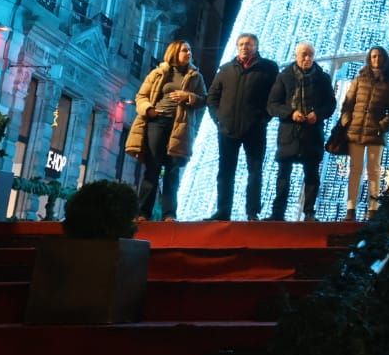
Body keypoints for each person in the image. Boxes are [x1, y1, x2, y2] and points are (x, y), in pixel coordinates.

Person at [127, 39, 206, 221]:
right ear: (174, 53)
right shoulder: (158, 73)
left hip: (180, 126)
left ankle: (169, 214)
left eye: (190, 50)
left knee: (172, 170)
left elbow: (204, 99)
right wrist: (150, 110)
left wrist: (189, 97)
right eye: (185, 50)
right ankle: (142, 213)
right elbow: (141, 96)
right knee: (152, 168)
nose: (189, 53)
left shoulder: (195, 76)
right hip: (157, 122)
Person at [205, 32, 279, 221]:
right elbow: (212, 97)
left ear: (256, 46)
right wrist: (218, 120)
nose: (245, 47)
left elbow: (275, 97)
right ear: (237, 47)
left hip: (255, 129)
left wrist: (264, 119)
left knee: (254, 171)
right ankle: (223, 211)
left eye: (249, 44)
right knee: (225, 172)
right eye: (241, 44)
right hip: (227, 130)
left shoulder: (268, 69)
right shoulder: (226, 69)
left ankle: (252, 212)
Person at [266, 42, 336, 222]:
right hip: (289, 134)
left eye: (311, 55)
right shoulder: (284, 77)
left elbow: (330, 104)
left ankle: (309, 212)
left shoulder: (322, 78)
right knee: (283, 175)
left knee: (312, 175)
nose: (308, 58)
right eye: (304, 54)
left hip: (312, 134)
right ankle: (278, 213)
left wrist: (317, 114)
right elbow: (272, 105)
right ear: (297, 56)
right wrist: (291, 113)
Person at [338, 46, 389, 221]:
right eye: (373, 56)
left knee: (374, 171)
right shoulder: (359, 80)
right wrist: (347, 121)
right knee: (355, 170)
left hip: (375, 133)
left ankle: (373, 208)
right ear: (369, 59)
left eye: (379, 56)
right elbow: (348, 103)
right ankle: (350, 209)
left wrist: (382, 126)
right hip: (355, 131)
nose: (376, 59)